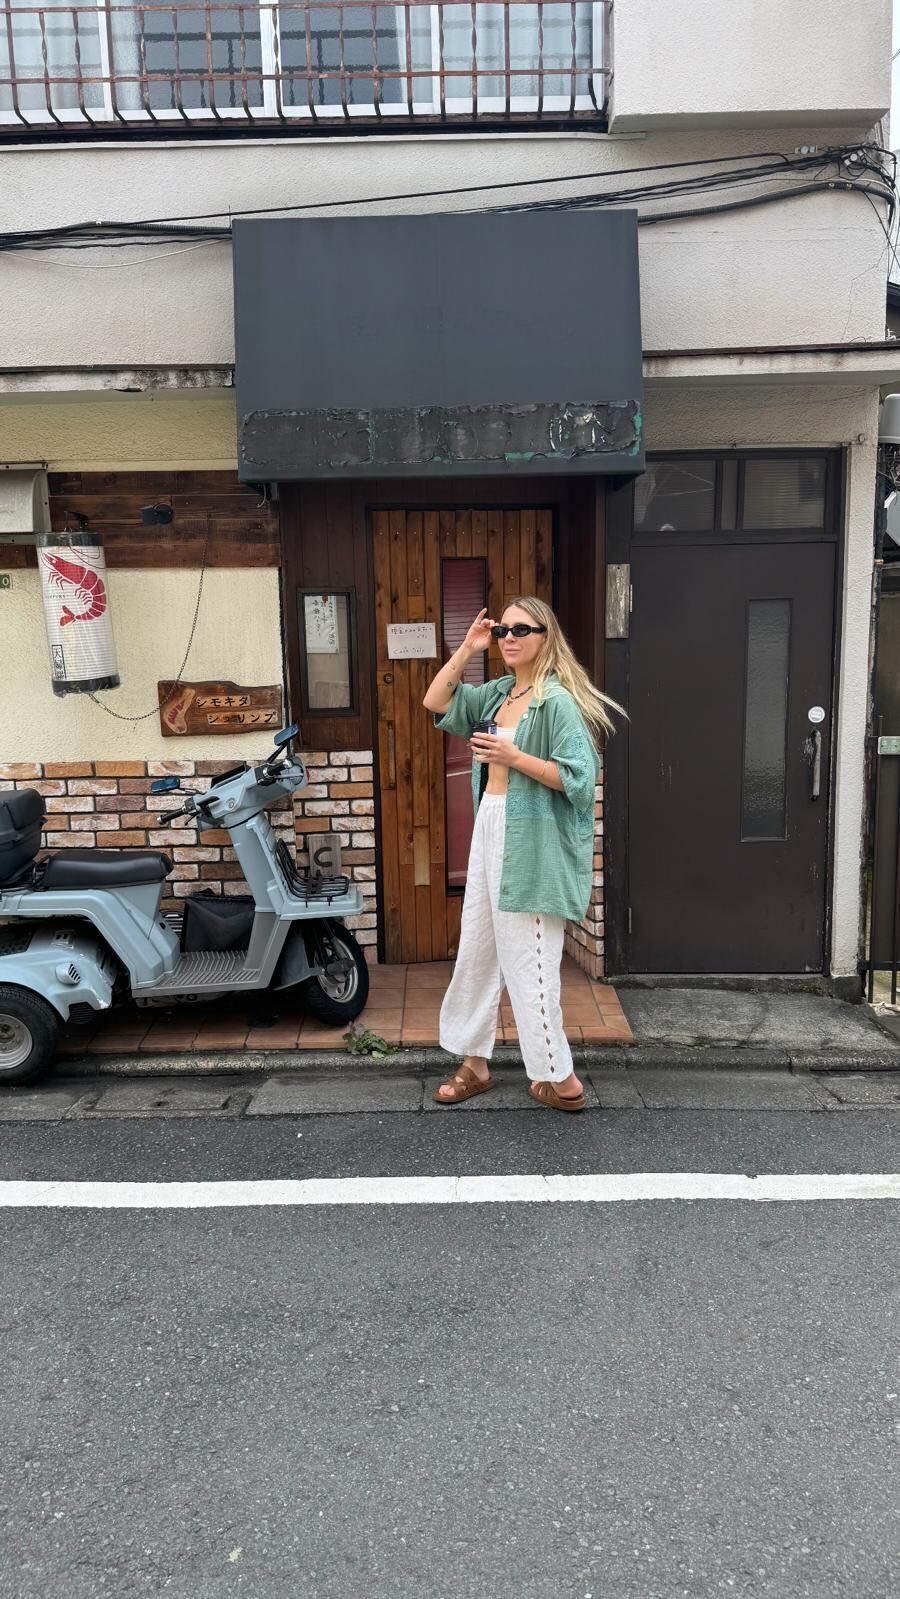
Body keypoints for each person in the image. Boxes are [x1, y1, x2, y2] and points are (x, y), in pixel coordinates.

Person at [423, 597, 625, 1113]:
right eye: (502, 629)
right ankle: (474, 1061)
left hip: (530, 838)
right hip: (491, 824)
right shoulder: (496, 694)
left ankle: (560, 1077)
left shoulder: (556, 701)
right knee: (479, 947)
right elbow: (436, 702)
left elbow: (581, 782)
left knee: (530, 958)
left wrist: (515, 757)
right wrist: (468, 647)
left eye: (521, 629)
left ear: (545, 636)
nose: (509, 637)